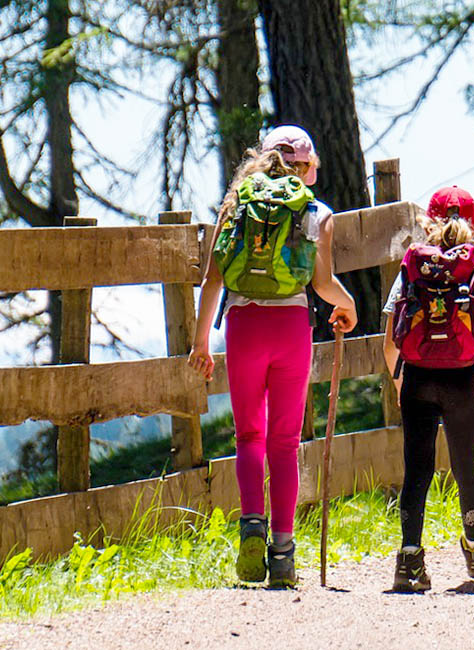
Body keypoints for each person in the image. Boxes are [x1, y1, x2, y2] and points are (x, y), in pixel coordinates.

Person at [188, 125, 357, 587]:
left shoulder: (236, 204)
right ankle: (282, 553)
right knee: (284, 444)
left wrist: (201, 342)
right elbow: (321, 284)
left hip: (244, 326)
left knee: (249, 437)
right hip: (290, 328)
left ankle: (251, 528)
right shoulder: (316, 213)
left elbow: (213, 279)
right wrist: (348, 305)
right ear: (306, 166)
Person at [383, 186, 474, 592]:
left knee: (417, 470)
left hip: (417, 378)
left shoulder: (411, 272)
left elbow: (391, 338)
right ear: (473, 226)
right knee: (466, 467)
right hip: (462, 380)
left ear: (428, 223)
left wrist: (398, 382)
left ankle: (409, 560)